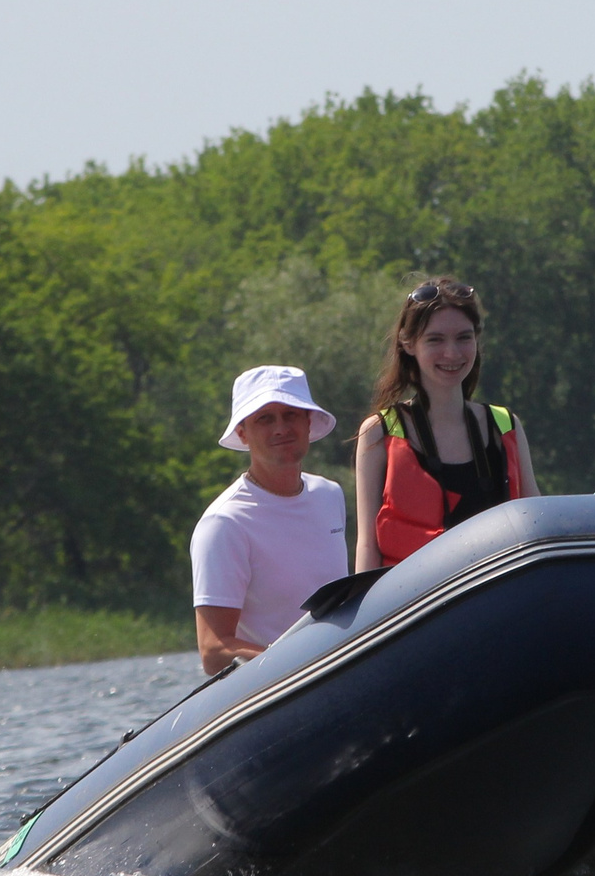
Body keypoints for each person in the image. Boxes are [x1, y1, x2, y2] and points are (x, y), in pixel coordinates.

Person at [354, 277, 540, 570]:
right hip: (415, 607)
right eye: (435, 340)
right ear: (408, 343)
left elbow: (538, 528)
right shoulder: (380, 431)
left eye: (464, 338)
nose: (452, 353)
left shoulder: (505, 426)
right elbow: (367, 544)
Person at [192, 365, 349, 675]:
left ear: (308, 423)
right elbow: (213, 650)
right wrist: (302, 664)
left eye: (291, 414)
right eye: (265, 418)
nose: (281, 428)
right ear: (243, 433)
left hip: (340, 674)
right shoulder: (224, 523)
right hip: (277, 693)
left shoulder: (330, 495)